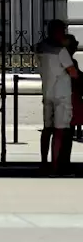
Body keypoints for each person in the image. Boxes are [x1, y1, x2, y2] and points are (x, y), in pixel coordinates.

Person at [38, 20, 78, 175]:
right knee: (60, 131)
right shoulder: (61, 51)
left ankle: (43, 163)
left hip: (47, 92)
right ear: (58, 32)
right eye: (63, 30)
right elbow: (73, 73)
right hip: (61, 95)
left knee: (47, 129)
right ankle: (56, 167)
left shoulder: (41, 47)